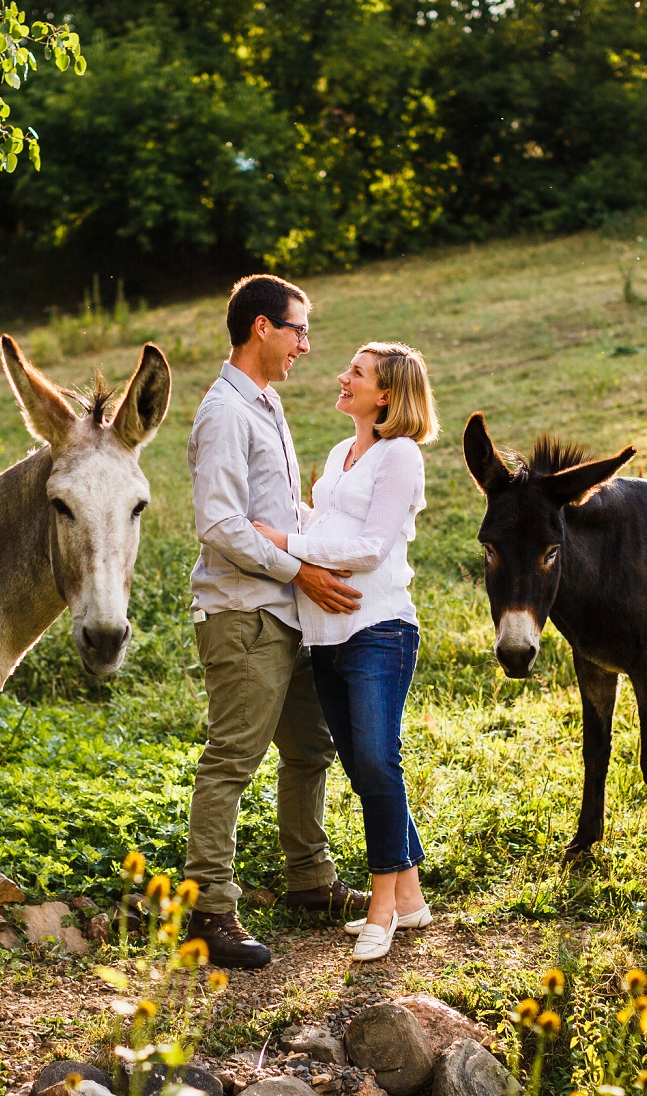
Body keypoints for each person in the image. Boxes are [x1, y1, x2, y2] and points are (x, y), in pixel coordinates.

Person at [182, 274, 374, 969]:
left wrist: (329, 545)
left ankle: (310, 881)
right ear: (262, 327)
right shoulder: (225, 412)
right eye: (299, 329)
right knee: (232, 756)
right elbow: (222, 523)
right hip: (243, 615)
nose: (306, 344)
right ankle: (208, 909)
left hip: (287, 613)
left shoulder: (265, 404)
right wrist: (303, 572)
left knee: (309, 749)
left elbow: (281, 514)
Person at [253, 342, 439, 961]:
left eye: (355, 373)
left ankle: (383, 914)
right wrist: (287, 523)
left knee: (380, 764)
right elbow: (321, 527)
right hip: (326, 636)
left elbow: (367, 548)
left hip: (379, 629)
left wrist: (286, 541)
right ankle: (411, 898)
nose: (342, 377)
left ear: (386, 394)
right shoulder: (339, 454)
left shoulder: (401, 455)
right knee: (364, 771)